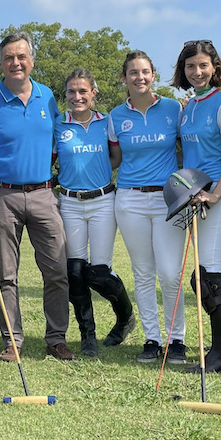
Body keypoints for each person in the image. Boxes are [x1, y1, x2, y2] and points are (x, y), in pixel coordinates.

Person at [0, 30, 76, 362]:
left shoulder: (47, 96)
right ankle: (12, 339)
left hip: (44, 194)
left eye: (21, 56)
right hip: (1, 195)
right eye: (9, 57)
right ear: (0, 63)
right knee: (6, 273)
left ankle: (56, 338)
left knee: (57, 271)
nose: (15, 62)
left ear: (31, 61)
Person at [169, 40, 221, 373]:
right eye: (191, 66)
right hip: (194, 199)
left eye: (203, 65)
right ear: (183, 71)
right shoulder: (187, 106)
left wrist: (215, 194)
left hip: (218, 198)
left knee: (211, 274)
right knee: (204, 275)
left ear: (215, 67)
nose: (197, 71)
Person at [108, 50, 187, 364]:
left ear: (153, 74)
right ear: (125, 78)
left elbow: (188, 148)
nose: (139, 77)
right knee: (143, 273)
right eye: (132, 73)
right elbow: (114, 159)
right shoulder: (115, 116)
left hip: (168, 199)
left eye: (144, 72)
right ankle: (152, 339)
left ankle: (176, 340)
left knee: (170, 273)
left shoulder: (173, 108)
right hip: (129, 200)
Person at [54, 69, 135, 357]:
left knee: (99, 273)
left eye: (83, 91)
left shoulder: (107, 122)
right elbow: (51, 159)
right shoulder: (58, 125)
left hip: (102, 200)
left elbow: (116, 157)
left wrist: (95, 173)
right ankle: (87, 335)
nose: (77, 97)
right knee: (75, 271)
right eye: (72, 92)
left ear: (93, 93)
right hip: (70, 203)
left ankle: (125, 318)